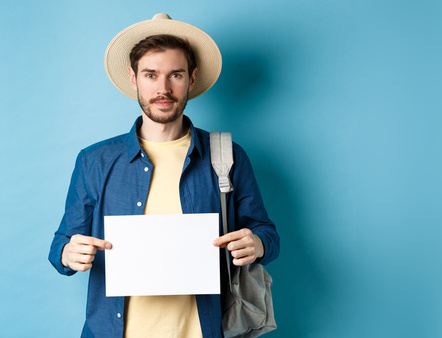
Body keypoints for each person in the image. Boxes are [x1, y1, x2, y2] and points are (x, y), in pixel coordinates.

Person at [48, 13, 280, 338]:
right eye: (151, 75)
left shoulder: (227, 154)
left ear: (192, 78)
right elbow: (60, 246)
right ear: (134, 78)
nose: (163, 88)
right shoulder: (94, 161)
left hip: (203, 329)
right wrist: (68, 253)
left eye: (176, 75)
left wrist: (256, 243)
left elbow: (267, 234)